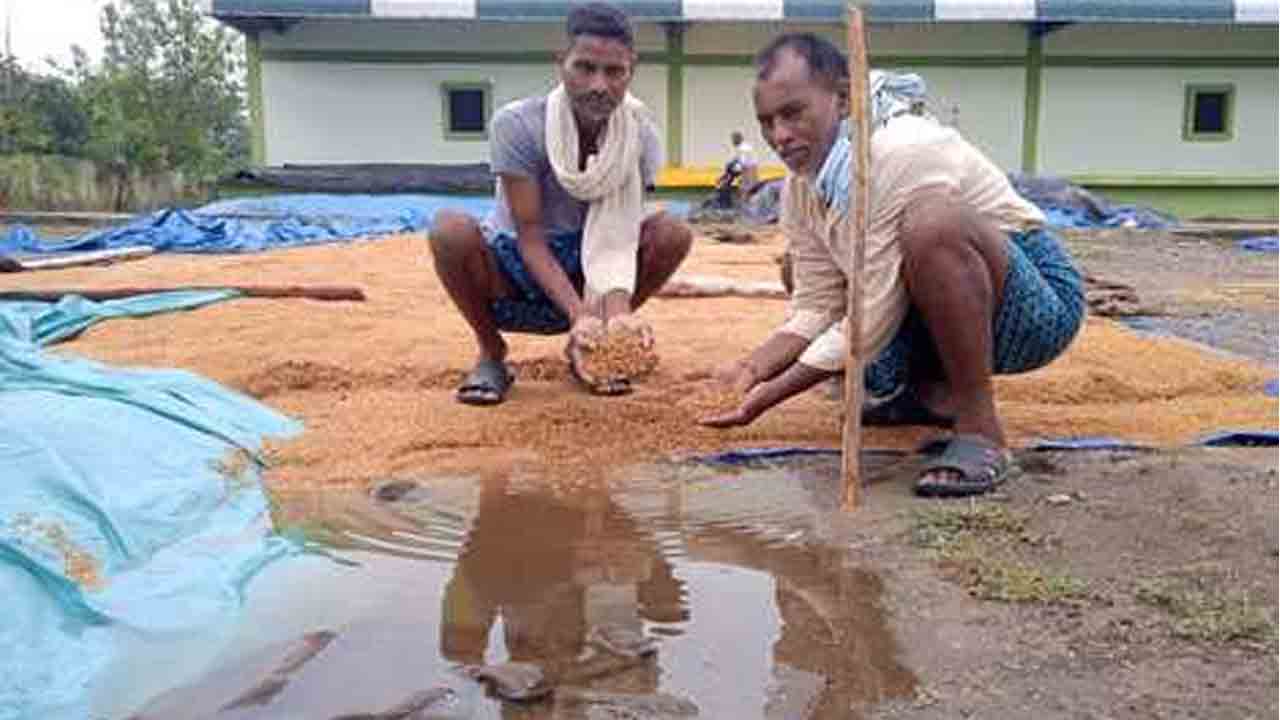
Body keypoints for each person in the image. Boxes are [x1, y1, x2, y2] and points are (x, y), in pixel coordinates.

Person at [701, 33, 1085, 498]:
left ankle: (981, 430)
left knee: (932, 226)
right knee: (797, 269)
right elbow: (818, 303)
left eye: (793, 113)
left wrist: (774, 394)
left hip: (1030, 308)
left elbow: (873, 316)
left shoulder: (903, 149)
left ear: (842, 99)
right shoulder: (803, 190)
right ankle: (929, 394)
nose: (779, 135)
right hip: (925, 315)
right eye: (767, 122)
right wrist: (751, 368)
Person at [430, 3, 693, 405]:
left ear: (631, 70)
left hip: (590, 262)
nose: (599, 85)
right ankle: (491, 351)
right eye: (585, 68)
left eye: (614, 71)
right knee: (448, 230)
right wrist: (579, 314)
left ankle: (594, 347)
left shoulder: (639, 134)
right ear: (561, 64)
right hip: (515, 263)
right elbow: (530, 236)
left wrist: (619, 315)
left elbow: (618, 237)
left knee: (673, 232)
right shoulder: (517, 125)